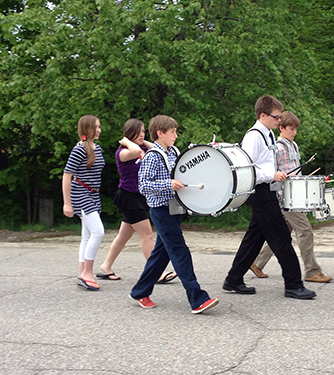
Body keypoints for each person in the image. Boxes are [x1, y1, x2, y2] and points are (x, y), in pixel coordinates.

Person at [223, 96, 316, 300]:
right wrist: (271, 175)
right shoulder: (254, 136)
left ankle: (233, 279)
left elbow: (266, 163)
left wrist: (280, 174)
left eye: (280, 116)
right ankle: (293, 284)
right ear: (263, 115)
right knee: (281, 237)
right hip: (260, 192)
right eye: (276, 117)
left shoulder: (269, 135)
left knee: (254, 238)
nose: (279, 120)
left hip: (268, 189)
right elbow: (246, 169)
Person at [129, 115, 218, 314]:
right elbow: (143, 185)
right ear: (160, 133)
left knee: (161, 255)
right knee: (180, 251)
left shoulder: (174, 152)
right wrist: (168, 184)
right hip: (161, 211)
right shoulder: (152, 156)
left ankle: (139, 291)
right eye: (172, 132)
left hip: (174, 209)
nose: (176, 136)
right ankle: (197, 299)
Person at [250, 111, 332, 283]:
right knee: (305, 231)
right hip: (285, 197)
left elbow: (295, 170)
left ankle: (256, 262)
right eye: (291, 128)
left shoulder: (293, 146)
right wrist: (279, 176)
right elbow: (271, 170)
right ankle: (311, 271)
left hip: (295, 195)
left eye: (296, 129)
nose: (294, 132)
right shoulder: (277, 147)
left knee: (283, 233)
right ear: (281, 128)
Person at [97, 119, 177, 284]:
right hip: (128, 197)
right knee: (147, 234)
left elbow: (157, 148)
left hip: (138, 197)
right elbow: (134, 152)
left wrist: (143, 141)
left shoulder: (144, 149)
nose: (142, 135)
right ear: (129, 133)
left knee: (123, 235)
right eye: (138, 132)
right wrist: (126, 141)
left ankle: (106, 266)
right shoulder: (122, 152)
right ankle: (156, 273)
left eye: (143, 132)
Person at [62, 115, 105, 291]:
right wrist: (67, 203)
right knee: (98, 232)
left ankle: (82, 273)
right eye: (96, 127)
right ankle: (88, 272)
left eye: (99, 127)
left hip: (94, 194)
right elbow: (67, 175)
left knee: (87, 236)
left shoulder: (98, 148)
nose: (99, 130)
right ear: (87, 129)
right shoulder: (79, 150)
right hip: (80, 193)